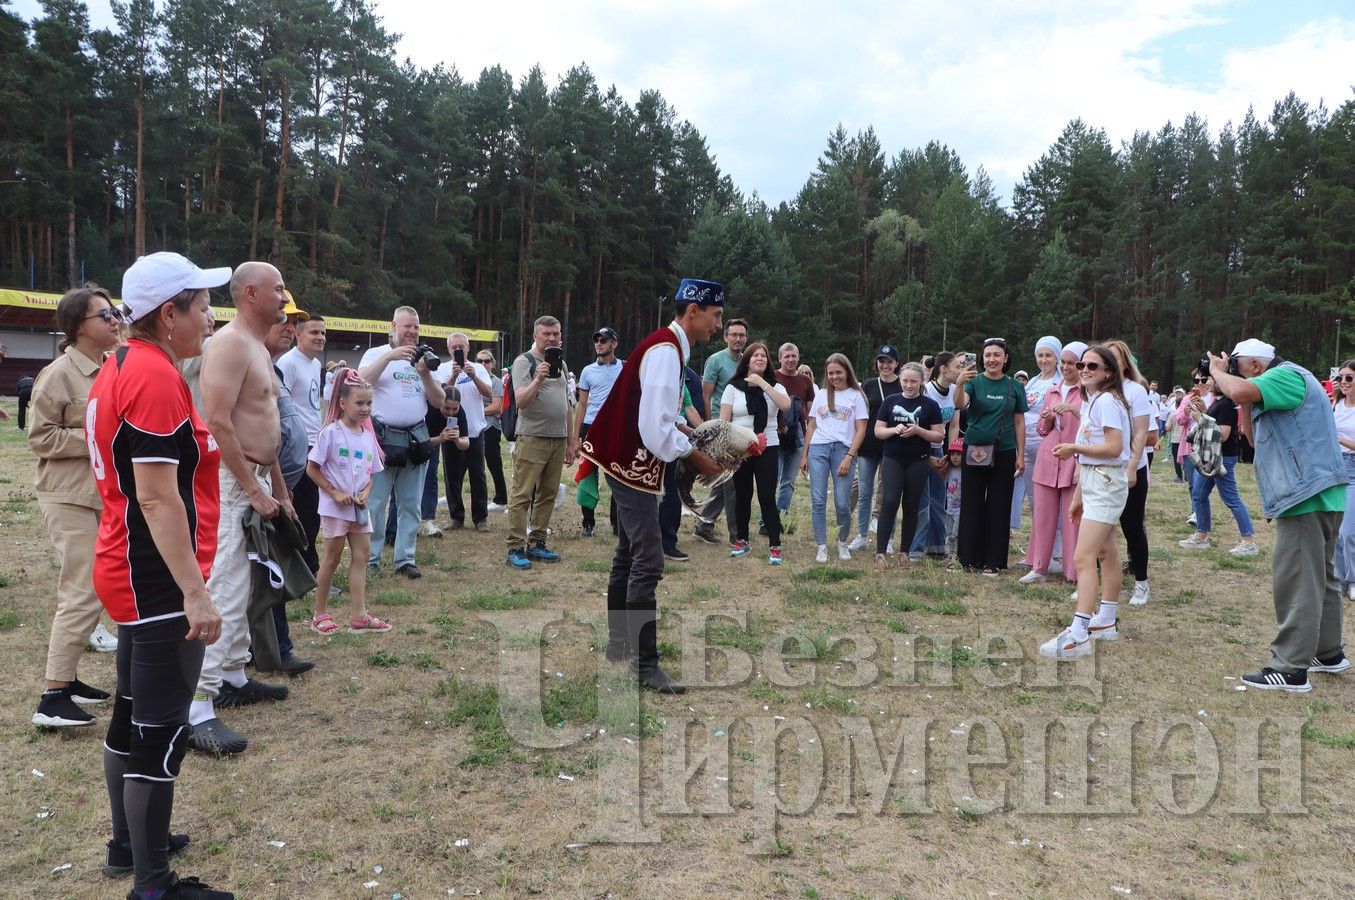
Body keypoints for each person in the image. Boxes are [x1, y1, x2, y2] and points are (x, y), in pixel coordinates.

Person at [89, 252, 234, 899]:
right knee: (160, 733)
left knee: (132, 714)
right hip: (153, 577)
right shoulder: (149, 375)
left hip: (129, 565)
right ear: (167, 314)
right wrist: (194, 592)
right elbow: (154, 496)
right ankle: (152, 884)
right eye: (201, 305)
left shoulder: (120, 365)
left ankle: (129, 844)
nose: (210, 316)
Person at [578, 277, 723, 693]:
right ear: (692, 311)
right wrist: (698, 458)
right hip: (631, 464)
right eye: (715, 316)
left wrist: (687, 436)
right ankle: (644, 666)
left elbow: (659, 416)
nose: (717, 324)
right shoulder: (665, 351)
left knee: (628, 553)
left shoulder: (669, 346)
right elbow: (653, 426)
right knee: (648, 560)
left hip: (627, 460)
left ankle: (620, 644)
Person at [188, 260, 295, 757]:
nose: (284, 297)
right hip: (234, 480)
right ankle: (197, 707)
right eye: (277, 289)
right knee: (226, 587)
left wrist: (278, 485)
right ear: (250, 293)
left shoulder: (257, 343)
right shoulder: (230, 343)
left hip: (255, 475)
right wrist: (252, 487)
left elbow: (264, 424)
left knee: (250, 581)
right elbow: (218, 421)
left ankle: (233, 675)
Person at [1207, 340, 1348, 691]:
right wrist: (1242, 400)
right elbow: (1253, 442)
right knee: (1321, 578)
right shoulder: (1280, 384)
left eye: (1237, 365)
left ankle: (1290, 668)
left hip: (1305, 495)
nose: (1233, 372)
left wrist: (1216, 373)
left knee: (1297, 580)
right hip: (1320, 493)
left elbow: (1238, 387)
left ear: (1256, 365)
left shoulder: (1284, 376)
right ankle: (1327, 653)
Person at [30, 286, 124, 729]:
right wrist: (94, 435)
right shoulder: (58, 375)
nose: (114, 320)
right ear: (77, 327)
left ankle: (68, 681)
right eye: (105, 315)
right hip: (67, 495)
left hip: (100, 495)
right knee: (82, 591)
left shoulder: (111, 367)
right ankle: (52, 697)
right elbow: (40, 438)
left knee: (100, 588)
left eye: (115, 313)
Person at [1039, 344, 1133, 658]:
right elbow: (1095, 447)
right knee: (1105, 554)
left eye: (1093, 366)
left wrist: (1072, 450)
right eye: (1082, 365)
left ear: (1108, 372)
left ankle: (1079, 633)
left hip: (1106, 482)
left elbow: (1114, 448)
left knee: (1083, 558)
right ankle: (1105, 621)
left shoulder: (1106, 400)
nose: (1085, 370)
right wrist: (1079, 496)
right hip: (1096, 482)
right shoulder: (1094, 400)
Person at [358, 306, 445, 578]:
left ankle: (405, 559)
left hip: (415, 440)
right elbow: (361, 381)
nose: (413, 332)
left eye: (417, 327)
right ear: (393, 325)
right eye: (408, 326)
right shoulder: (376, 354)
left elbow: (440, 401)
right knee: (376, 502)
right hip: (382, 440)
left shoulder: (423, 360)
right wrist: (390, 356)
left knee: (410, 504)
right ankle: (371, 560)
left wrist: (425, 373)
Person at [306, 368, 390, 636]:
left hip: (360, 511)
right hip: (335, 510)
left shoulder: (368, 437)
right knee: (331, 558)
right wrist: (334, 492)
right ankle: (319, 613)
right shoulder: (330, 433)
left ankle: (359, 616)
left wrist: (365, 492)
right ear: (342, 403)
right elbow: (312, 468)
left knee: (361, 557)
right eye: (360, 403)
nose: (365, 408)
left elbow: (370, 474)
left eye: (369, 403)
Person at [259, 304, 317, 676]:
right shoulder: (245, 361)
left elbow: (274, 438)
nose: (290, 327)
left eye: (294, 321)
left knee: (271, 568)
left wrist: (282, 487)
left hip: (279, 485)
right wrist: (264, 487)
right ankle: (272, 650)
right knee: (264, 570)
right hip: (252, 488)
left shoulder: (271, 366)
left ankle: (273, 648)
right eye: (283, 319)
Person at [506, 315, 575, 569]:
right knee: (523, 493)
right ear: (535, 336)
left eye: (556, 334)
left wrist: (570, 442)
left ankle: (537, 542)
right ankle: (515, 546)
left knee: (548, 494)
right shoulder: (524, 362)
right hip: (532, 437)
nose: (552, 338)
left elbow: (567, 405)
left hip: (557, 439)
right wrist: (538, 378)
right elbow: (521, 401)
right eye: (547, 334)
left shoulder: (563, 364)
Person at [955, 338, 1028, 575]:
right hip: (975, 449)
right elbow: (960, 405)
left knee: (998, 506)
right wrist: (958, 385)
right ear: (981, 358)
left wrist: (1020, 454)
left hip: (1004, 451)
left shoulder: (1014, 386)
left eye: (997, 355)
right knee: (972, 503)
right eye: (987, 355)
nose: (992, 359)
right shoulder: (973, 382)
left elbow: (1019, 422)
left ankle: (992, 561)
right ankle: (968, 559)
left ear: (1006, 358)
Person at [1021, 341, 1086, 585]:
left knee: (1073, 518)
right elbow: (1042, 429)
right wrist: (1047, 419)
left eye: (1073, 363)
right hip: (1048, 458)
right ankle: (1039, 567)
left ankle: (1073, 571)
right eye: (1065, 363)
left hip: (1074, 458)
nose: (1068, 367)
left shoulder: (1087, 393)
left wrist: (1072, 409)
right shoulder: (1052, 391)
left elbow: (1092, 425)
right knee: (1043, 515)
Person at [720, 341, 790, 563]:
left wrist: (763, 385)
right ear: (747, 361)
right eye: (755, 356)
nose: (760, 358)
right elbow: (724, 421)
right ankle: (742, 540)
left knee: (767, 496)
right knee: (742, 496)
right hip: (740, 448)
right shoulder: (733, 388)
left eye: (763, 356)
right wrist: (726, 449)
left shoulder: (775, 387)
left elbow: (785, 405)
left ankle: (775, 546)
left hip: (767, 446)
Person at [872, 362, 943, 570]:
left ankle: (905, 552)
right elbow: (878, 431)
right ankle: (881, 553)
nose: (909, 385)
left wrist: (919, 431)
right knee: (890, 501)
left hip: (918, 459)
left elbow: (938, 436)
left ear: (921, 381)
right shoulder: (891, 402)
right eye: (905, 381)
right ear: (900, 380)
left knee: (911, 505)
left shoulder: (930, 405)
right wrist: (894, 430)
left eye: (913, 381)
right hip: (893, 457)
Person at [1177, 375, 1258, 557]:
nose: (1206, 382)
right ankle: (1201, 535)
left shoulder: (1227, 405)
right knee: (1198, 494)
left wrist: (1200, 418)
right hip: (1211, 457)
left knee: (1231, 498)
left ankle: (1248, 541)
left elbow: (1222, 434)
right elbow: (1213, 422)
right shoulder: (1217, 402)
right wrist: (1203, 410)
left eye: (1211, 380)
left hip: (1222, 458)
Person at [801, 353, 868, 563]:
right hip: (818, 449)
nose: (834, 377)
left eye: (838, 372)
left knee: (842, 502)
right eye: (830, 373)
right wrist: (805, 454)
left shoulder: (857, 396)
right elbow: (811, 425)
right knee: (818, 500)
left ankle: (841, 542)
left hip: (843, 450)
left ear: (847, 371)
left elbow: (861, 430)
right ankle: (821, 545)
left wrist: (850, 456)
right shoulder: (821, 394)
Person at [1103, 340, 1154, 606]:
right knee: (1101, 526)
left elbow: (1142, 432)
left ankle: (1141, 583)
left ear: (1125, 362)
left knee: (1131, 526)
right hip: (1103, 469)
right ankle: (1098, 581)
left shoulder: (1135, 391)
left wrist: (1133, 465)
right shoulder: (1097, 391)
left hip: (1130, 469)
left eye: (1115, 357)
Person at [275, 311, 327, 571]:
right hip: (297, 448)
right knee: (303, 510)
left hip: (313, 444)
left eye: (323, 333)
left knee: (312, 511)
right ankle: (302, 569)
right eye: (314, 332)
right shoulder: (289, 363)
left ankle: (305, 567)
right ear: (298, 334)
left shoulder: (315, 364)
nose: (320, 337)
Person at [695, 318, 748, 543]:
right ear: (725, 337)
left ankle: (704, 524)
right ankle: (737, 534)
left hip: (742, 430)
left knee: (725, 479)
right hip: (721, 430)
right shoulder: (715, 361)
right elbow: (706, 395)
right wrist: (710, 426)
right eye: (733, 334)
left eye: (742, 335)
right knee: (731, 482)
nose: (738, 339)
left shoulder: (748, 361)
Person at [435, 332, 493, 532]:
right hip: (451, 429)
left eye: (462, 347)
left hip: (476, 429)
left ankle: (480, 518)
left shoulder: (478, 368)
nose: (458, 350)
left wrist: (473, 376)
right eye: (454, 347)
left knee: (478, 475)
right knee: (452, 476)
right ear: (449, 349)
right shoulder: (442, 369)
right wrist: (453, 375)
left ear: (468, 348)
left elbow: (488, 394)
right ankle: (456, 517)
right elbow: (439, 397)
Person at [849, 345, 903, 552]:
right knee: (864, 492)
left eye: (889, 361)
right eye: (882, 361)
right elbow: (859, 415)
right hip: (868, 445)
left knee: (889, 493)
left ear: (896, 363)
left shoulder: (903, 383)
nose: (885, 365)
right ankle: (862, 535)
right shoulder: (870, 385)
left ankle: (888, 538)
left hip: (893, 446)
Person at [912, 351, 963, 561]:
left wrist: (951, 454)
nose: (960, 370)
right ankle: (916, 547)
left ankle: (936, 545)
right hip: (922, 448)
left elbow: (954, 425)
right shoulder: (928, 391)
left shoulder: (954, 391)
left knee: (939, 499)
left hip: (940, 449)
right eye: (957, 367)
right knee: (922, 500)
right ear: (943, 369)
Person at [1012, 336, 1063, 540]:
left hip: (1048, 445)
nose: (1044, 360)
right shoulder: (1032, 382)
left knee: (1051, 498)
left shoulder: (1059, 382)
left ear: (1057, 357)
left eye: (1048, 355)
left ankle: (1057, 550)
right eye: (1040, 355)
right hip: (1027, 446)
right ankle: (1038, 549)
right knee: (1034, 499)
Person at [576, 327, 624, 537]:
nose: (599, 343)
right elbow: (582, 405)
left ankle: (617, 524)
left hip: (616, 428)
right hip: (591, 427)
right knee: (588, 474)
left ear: (614, 343)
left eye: (604, 340)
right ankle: (588, 523)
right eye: (597, 340)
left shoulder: (625, 367)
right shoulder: (587, 371)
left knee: (618, 476)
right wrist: (577, 436)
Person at [770, 342, 815, 531]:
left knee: (788, 481)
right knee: (772, 479)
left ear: (798, 357)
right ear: (780, 358)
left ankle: (781, 517)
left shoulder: (805, 381)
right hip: (774, 433)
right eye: (786, 356)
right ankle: (768, 520)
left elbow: (811, 412)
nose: (790, 359)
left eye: (793, 356)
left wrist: (809, 437)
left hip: (797, 435)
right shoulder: (771, 376)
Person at [1332, 361, 1355, 601]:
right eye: (1341, 378)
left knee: (1349, 532)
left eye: (1349, 378)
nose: (1344, 383)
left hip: (1353, 469)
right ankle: (1339, 579)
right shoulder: (1337, 405)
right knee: (1336, 529)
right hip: (1335, 466)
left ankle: (1352, 578)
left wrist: (1338, 437)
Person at [476, 349, 509, 511]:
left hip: (490, 428)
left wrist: (475, 409)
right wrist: (487, 408)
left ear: (493, 364)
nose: (483, 364)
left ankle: (501, 499)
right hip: (475, 427)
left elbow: (497, 407)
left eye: (486, 361)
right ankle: (452, 495)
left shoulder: (495, 382)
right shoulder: (470, 379)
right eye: (479, 361)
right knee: (462, 465)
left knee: (494, 464)